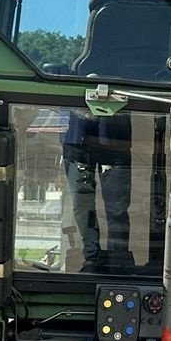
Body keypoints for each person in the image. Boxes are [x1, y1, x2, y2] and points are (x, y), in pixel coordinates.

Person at [62, 111, 133, 271]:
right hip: (80, 140)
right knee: (83, 207)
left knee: (117, 209)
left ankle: (117, 261)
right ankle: (92, 258)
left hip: (114, 140)